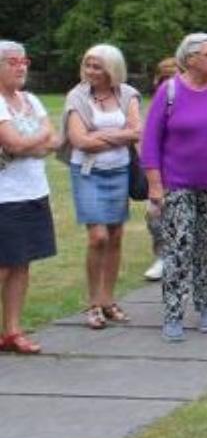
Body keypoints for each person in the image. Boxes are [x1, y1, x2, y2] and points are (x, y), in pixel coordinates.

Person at [142, 34, 207, 342]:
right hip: (177, 184)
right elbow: (150, 142)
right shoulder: (170, 90)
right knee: (179, 248)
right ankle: (173, 313)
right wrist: (155, 185)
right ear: (190, 59)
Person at [64, 44, 142, 330]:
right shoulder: (77, 96)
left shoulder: (127, 94)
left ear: (112, 69)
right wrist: (119, 135)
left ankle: (109, 300)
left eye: (98, 66)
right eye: (88, 65)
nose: (91, 71)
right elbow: (79, 141)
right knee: (97, 237)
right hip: (87, 172)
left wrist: (101, 135)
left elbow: (137, 131)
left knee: (116, 234)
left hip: (119, 171)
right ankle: (93, 302)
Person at [0, 41, 60, 354]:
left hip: (33, 191)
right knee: (3, 266)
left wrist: (29, 143)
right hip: (4, 198)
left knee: (21, 264)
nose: (21, 67)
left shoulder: (31, 100)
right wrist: (35, 142)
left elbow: (54, 138)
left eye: (24, 61)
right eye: (13, 62)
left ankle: (12, 331)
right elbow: (13, 144)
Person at [143, 57, 179, 282]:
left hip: (186, 168)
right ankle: (162, 257)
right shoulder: (157, 103)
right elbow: (148, 140)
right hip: (161, 170)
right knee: (154, 216)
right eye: (165, 79)